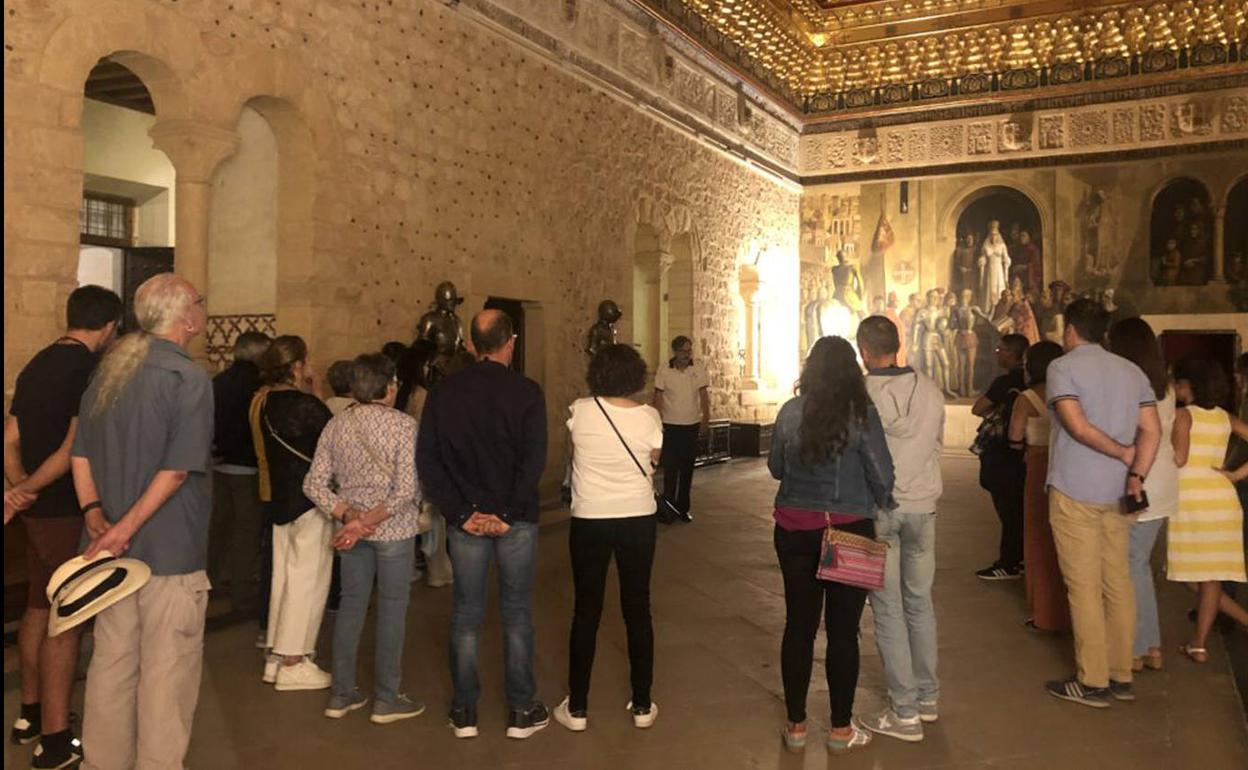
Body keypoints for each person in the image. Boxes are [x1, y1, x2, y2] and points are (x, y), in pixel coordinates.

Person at [70, 274, 214, 770]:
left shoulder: (109, 373)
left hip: (112, 554)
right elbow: (175, 472)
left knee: (111, 666)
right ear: (186, 316)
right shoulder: (188, 378)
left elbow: (80, 453)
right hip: (168, 555)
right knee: (166, 675)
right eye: (199, 301)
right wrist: (123, 528)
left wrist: (95, 515)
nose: (202, 308)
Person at [417, 310, 550, 740]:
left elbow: (429, 461)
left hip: (466, 522)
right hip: (517, 523)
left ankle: (464, 712)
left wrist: (461, 512)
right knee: (515, 614)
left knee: (467, 615)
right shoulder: (527, 392)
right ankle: (521, 710)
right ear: (509, 342)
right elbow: (533, 462)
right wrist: (507, 513)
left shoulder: (445, 393)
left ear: (472, 345)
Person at [3, 285, 121, 769]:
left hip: (33, 510)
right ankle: (54, 741)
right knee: (66, 619)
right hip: (65, 508)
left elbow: (9, 436)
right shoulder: (90, 369)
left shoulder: (37, 362)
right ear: (111, 327)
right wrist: (29, 489)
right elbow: (76, 446)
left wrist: (19, 489)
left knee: (37, 604)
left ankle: (29, 713)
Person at [770, 336, 895, 755]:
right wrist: (883, 504)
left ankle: (796, 726)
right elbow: (882, 474)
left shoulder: (790, 412)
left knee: (798, 627)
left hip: (794, 528)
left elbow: (775, 467)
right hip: (849, 529)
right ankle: (841, 729)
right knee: (844, 632)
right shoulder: (862, 414)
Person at [1044, 298, 1161, 708]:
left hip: (1075, 491)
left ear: (1071, 330)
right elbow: (1152, 429)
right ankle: (1121, 675)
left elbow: (1075, 426)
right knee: (1118, 583)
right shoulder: (1131, 371)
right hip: (1118, 494)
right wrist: (1136, 474)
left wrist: (1122, 454)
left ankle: (1092, 682)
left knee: (1084, 588)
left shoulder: (1062, 367)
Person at [304, 353, 424, 723]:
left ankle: (341, 694)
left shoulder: (337, 425)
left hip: (351, 535)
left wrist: (350, 518)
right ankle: (387, 698)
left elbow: (313, 484)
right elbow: (406, 491)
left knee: (351, 606)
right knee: (392, 610)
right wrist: (369, 520)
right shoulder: (405, 426)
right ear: (390, 388)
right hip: (395, 532)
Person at [553, 344, 663, 733]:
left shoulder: (579, 411)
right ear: (635, 375)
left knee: (586, 609)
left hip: (591, 517)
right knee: (638, 608)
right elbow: (654, 460)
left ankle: (578, 707)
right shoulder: (650, 417)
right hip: (637, 517)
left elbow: (574, 454)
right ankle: (643, 704)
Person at [855, 318, 944, 743]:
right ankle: (927, 699)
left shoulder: (862, 393)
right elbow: (937, 445)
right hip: (923, 507)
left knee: (887, 609)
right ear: (899, 344)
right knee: (920, 604)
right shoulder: (929, 388)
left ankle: (903, 712)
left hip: (880, 509)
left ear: (864, 350)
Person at [250, 336, 334, 691]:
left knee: (283, 579)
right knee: (308, 580)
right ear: (297, 365)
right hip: (309, 501)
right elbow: (332, 439)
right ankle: (294, 661)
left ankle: (276, 656)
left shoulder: (262, 401)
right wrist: (314, 392)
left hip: (279, 499)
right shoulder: (305, 406)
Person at [1105, 319, 1177, 671]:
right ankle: (1150, 646)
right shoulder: (1166, 386)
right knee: (1139, 566)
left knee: (1128, 566)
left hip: (1139, 482)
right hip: (1162, 485)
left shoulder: (1129, 385)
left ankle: (1136, 647)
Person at [1169, 360, 1248, 663]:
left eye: (1178, 382)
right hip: (1222, 498)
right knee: (1211, 576)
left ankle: (1237, 623)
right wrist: (1236, 475)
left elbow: (1179, 458)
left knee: (1193, 577)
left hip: (1192, 499)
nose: (1175, 387)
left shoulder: (1183, 415)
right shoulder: (1225, 417)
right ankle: (1199, 645)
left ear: (1190, 386)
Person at [1006, 340, 1070, 632]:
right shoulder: (1070, 391)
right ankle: (1068, 611)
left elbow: (1014, 435)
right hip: (1066, 465)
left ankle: (1044, 613)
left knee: (1037, 538)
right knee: (1065, 540)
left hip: (1037, 465)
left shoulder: (1028, 397)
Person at [209, 330, 270, 623]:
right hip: (247, 468)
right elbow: (250, 429)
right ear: (259, 355)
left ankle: (210, 583)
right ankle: (241, 594)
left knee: (218, 529)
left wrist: (216, 449)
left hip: (219, 465)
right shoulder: (258, 386)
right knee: (246, 533)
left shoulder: (218, 381)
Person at [971, 333, 1029, 580]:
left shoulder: (1006, 383)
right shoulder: (1034, 382)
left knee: (1010, 512)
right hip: (1028, 453)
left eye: (1001, 350)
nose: (997, 353)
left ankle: (1010, 562)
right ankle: (1023, 559)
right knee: (1022, 510)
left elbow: (978, 408)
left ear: (1013, 354)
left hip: (1005, 453)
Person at [396, 338, 453, 588]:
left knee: (406, 519)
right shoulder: (423, 395)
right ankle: (438, 572)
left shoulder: (398, 392)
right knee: (433, 522)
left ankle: (406, 570)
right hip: (421, 462)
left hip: (399, 465)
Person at [653, 335, 709, 522]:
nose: (687, 354)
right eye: (683, 351)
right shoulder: (664, 369)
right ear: (675, 352)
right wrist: (656, 420)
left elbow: (703, 395)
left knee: (686, 469)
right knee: (670, 467)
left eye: (689, 350)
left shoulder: (697, 368)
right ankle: (668, 508)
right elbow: (658, 395)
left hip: (691, 425)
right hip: (670, 425)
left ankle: (683, 508)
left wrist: (705, 420)